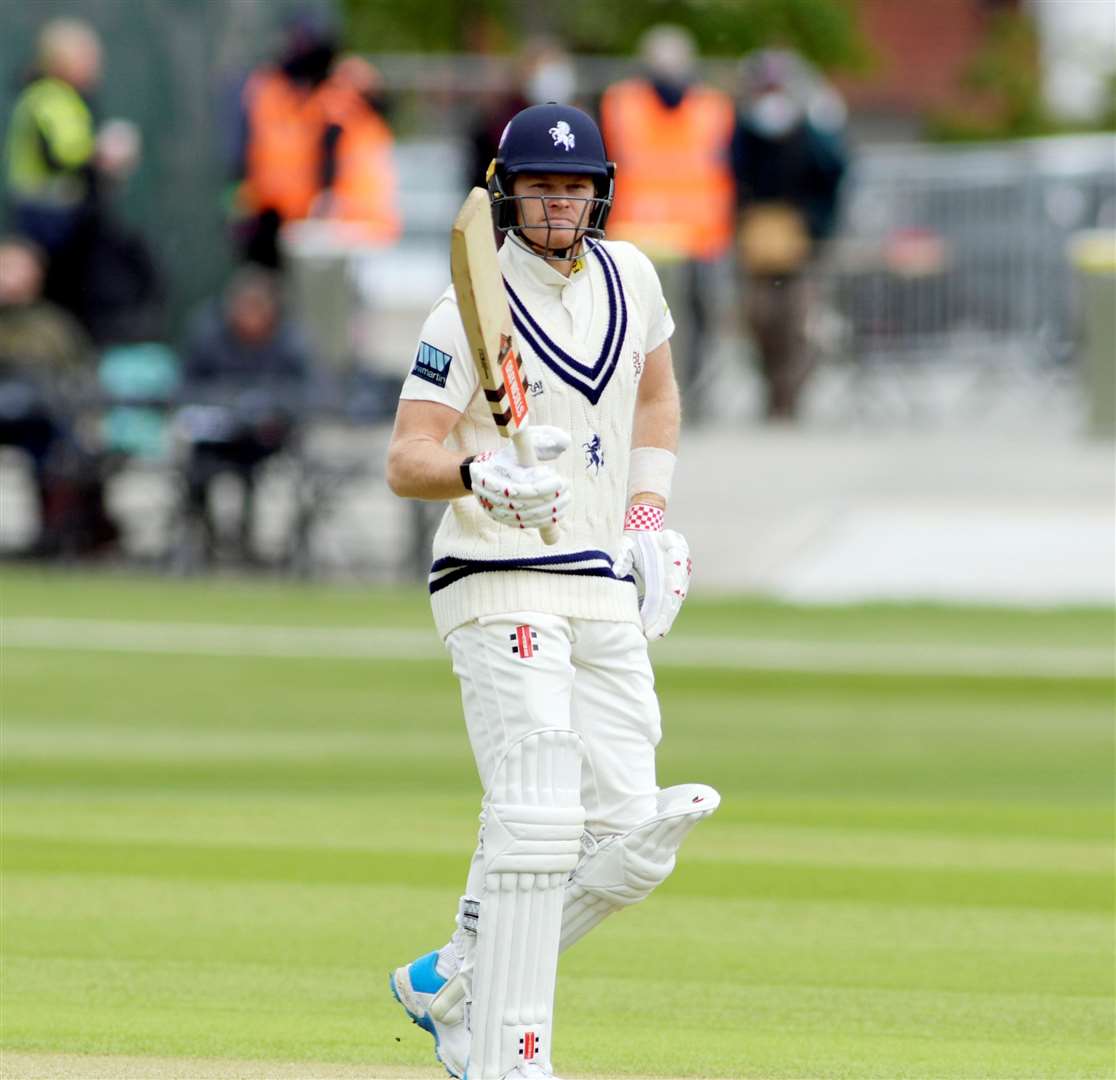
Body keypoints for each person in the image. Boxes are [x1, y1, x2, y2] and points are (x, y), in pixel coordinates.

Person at [385, 104, 718, 1080]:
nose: (560, 202)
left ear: (599, 191)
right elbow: (409, 459)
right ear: (509, 193)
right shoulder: (468, 303)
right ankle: (507, 1054)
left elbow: (656, 397)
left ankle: (452, 981)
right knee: (536, 819)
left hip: (599, 578)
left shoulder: (635, 277)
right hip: (495, 577)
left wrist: (648, 516)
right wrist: (478, 477)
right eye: (542, 187)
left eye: (575, 186)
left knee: (633, 839)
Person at [599, 25, 736, 420]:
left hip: (699, 237)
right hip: (639, 235)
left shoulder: (713, 107)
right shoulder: (621, 103)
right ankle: (635, 399)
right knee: (635, 325)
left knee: (697, 325)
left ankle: (690, 400)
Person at [731, 49, 848, 420]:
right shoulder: (744, 135)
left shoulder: (810, 134)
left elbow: (834, 173)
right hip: (757, 242)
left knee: (799, 322)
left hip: (802, 243)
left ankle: (788, 397)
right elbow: (730, 176)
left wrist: (815, 224)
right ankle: (772, 387)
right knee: (759, 318)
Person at [230, 11, 399, 267]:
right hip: (292, 216)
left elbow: (334, 145)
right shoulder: (275, 90)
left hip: (348, 222)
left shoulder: (339, 95)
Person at [177, 267, 313, 563]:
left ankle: (252, 545)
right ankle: (206, 542)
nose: (249, 317)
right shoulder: (209, 337)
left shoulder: (288, 342)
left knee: (267, 473)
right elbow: (187, 388)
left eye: (257, 309)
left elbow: (303, 393)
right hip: (216, 439)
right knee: (194, 469)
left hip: (266, 441)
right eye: (243, 308)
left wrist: (272, 412)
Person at [0, 235, 117, 556]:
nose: (9, 277)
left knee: (66, 453)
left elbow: (80, 375)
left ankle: (56, 536)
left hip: (39, 421)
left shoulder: (53, 325)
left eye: (19, 268)